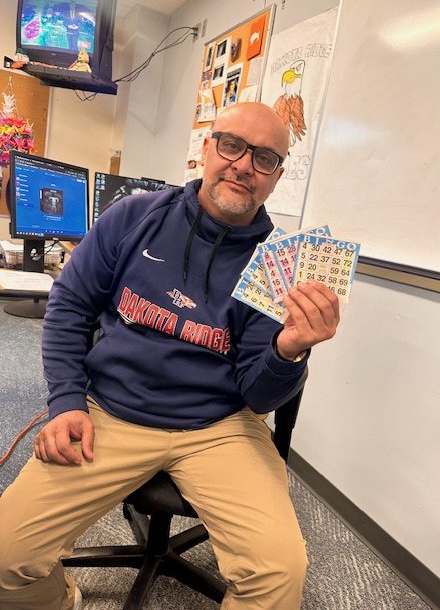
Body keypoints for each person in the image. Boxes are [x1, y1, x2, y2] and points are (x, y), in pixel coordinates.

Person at [0, 102, 340, 610]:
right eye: (231, 145)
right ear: (206, 148)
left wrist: (289, 351)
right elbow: (69, 307)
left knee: (279, 573)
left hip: (218, 425)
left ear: (277, 176)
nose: (244, 165)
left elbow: (260, 396)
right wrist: (67, 401)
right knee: (6, 556)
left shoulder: (276, 265)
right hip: (109, 410)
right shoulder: (135, 216)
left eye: (265, 158)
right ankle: (60, 598)